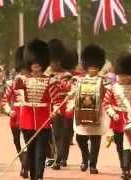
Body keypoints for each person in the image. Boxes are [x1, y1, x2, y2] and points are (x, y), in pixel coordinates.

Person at [14, 39, 59, 180]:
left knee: (40, 152)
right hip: (27, 120)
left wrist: (55, 110)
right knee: (31, 151)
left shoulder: (50, 80)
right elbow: (16, 95)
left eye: (38, 63)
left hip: (43, 120)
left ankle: (39, 176)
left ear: (42, 64)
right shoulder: (23, 80)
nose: (35, 66)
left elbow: (56, 99)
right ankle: (33, 176)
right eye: (33, 63)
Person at [66, 44, 108, 174]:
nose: (93, 69)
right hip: (81, 113)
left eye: (95, 67)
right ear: (86, 67)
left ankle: (93, 164)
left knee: (95, 139)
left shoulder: (104, 81)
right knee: (80, 138)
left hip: (97, 113)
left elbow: (108, 94)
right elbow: (73, 93)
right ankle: (85, 157)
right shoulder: (79, 80)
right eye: (90, 67)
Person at [103, 50, 131, 180]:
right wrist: (112, 113)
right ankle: (123, 166)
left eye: (125, 75)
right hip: (117, 120)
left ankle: (127, 169)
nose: (123, 78)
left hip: (130, 120)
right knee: (120, 145)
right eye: (121, 75)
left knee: (129, 145)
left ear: (130, 75)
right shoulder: (112, 88)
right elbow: (106, 104)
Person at [48, 39, 79, 170]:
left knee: (66, 135)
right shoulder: (48, 74)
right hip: (54, 107)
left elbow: (69, 88)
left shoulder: (67, 75)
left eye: (57, 61)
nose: (55, 64)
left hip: (67, 107)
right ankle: (57, 157)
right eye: (53, 61)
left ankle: (62, 157)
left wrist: (58, 82)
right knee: (56, 134)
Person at [2, 46, 29, 178]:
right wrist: (9, 111)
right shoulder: (12, 83)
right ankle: (24, 163)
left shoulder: (32, 81)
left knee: (26, 142)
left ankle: (25, 167)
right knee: (17, 142)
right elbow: (4, 101)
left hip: (28, 115)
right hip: (16, 115)